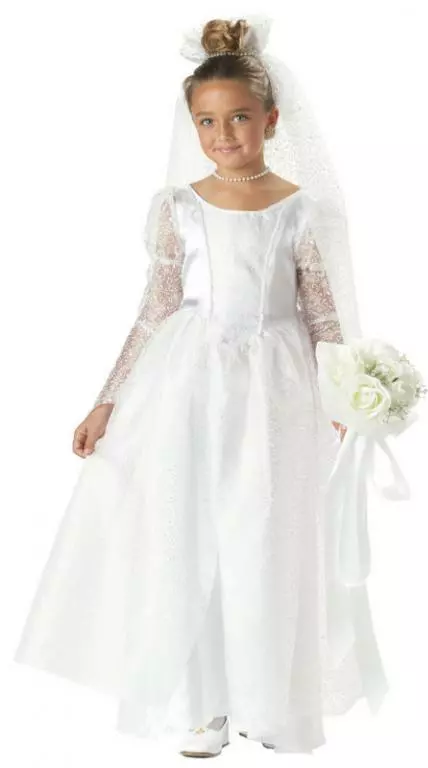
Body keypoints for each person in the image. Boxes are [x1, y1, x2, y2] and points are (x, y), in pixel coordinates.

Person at [13, 15, 389, 758]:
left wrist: (344, 392)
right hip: (186, 387)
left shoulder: (299, 210)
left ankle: (267, 698)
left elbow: (321, 314)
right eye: (208, 122)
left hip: (275, 392)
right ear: (193, 126)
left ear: (270, 120)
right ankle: (200, 701)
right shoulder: (177, 208)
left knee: (265, 532)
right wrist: (107, 398)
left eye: (239, 118)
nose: (223, 135)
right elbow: (153, 311)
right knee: (188, 534)